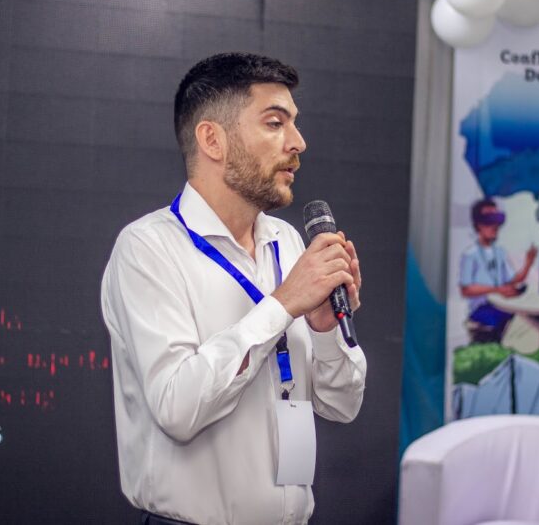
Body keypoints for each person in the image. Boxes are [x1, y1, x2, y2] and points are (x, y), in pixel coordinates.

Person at [101, 52, 367, 525]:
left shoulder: (288, 242)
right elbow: (177, 408)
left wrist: (325, 329)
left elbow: (343, 405)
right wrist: (283, 305)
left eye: (295, 124)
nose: (298, 142)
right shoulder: (147, 249)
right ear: (212, 139)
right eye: (274, 123)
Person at [459, 198, 537, 342]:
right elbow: (466, 290)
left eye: (496, 221)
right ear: (478, 226)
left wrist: (528, 264)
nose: (494, 226)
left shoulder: (499, 252)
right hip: (483, 309)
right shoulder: (470, 255)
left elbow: (512, 280)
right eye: (489, 222)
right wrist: (497, 290)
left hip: (502, 305)